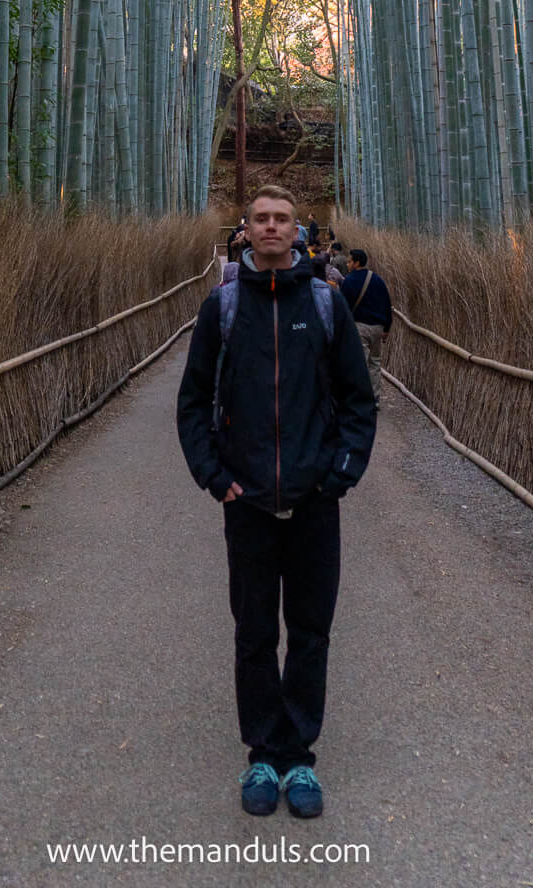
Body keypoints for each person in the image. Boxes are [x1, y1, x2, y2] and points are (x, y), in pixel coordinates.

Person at [177, 183, 376, 822]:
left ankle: (300, 757)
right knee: (256, 632)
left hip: (316, 502)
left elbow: (357, 399)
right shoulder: (223, 308)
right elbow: (191, 401)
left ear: (298, 230)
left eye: (282, 219)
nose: (271, 228)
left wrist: (341, 472)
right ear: (247, 228)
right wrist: (216, 476)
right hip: (249, 503)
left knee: (311, 633)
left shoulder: (325, 305)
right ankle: (264, 751)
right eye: (261, 218)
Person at [339, 247, 393, 408]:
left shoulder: (348, 281)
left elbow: (344, 307)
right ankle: (375, 398)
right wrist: (386, 328)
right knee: (375, 363)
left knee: (360, 363)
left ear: (356, 263)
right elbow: (387, 304)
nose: (348, 264)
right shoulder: (378, 280)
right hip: (377, 327)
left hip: (358, 327)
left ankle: (361, 398)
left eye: (349, 261)